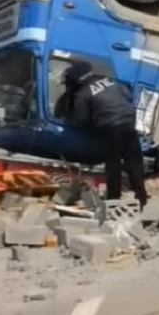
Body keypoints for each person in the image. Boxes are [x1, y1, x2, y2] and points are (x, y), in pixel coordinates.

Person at [62, 61, 148, 207]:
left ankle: (114, 198)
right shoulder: (111, 81)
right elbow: (128, 95)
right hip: (129, 121)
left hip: (111, 126)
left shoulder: (83, 93)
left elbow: (80, 120)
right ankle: (142, 198)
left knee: (113, 164)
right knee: (134, 163)